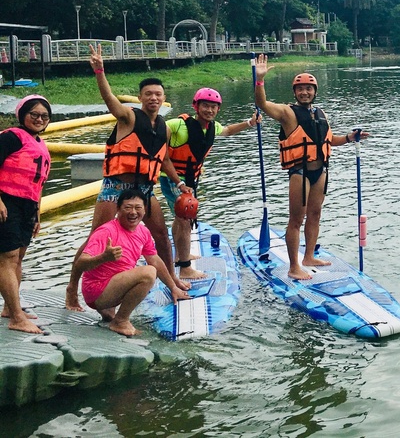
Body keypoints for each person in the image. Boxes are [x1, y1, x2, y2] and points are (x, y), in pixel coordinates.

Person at [66, 44, 189, 311]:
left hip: (145, 189)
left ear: (164, 97)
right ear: (140, 97)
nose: (153, 98)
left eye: (157, 94)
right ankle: (72, 289)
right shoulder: (128, 117)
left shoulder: (164, 129)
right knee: (94, 238)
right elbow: (110, 99)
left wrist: (179, 183)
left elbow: (163, 159)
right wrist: (99, 71)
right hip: (116, 186)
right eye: (148, 94)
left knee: (160, 235)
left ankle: (173, 281)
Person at [253, 54, 369, 280]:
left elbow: (328, 140)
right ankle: (294, 266)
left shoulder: (321, 113)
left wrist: (350, 137)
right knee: (296, 220)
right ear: (294, 92)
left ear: (315, 91)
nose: (304, 92)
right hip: (300, 172)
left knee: (315, 215)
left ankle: (308, 256)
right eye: (300, 89)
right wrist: (259, 81)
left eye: (309, 89)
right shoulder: (287, 113)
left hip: (321, 171)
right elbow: (262, 104)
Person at [159, 87, 258, 279]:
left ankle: (180, 255)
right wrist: (178, 183)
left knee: (180, 218)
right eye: (205, 106)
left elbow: (228, 131)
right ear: (195, 106)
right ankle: (185, 268)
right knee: (185, 219)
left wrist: (249, 123)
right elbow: (162, 150)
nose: (209, 110)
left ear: (218, 109)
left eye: (213, 107)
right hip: (173, 179)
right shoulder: (177, 125)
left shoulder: (212, 127)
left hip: (189, 181)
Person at [75, 189, 189, 337]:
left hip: (113, 287)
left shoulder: (143, 232)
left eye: (138, 208)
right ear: (118, 209)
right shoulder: (106, 231)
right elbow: (80, 263)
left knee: (150, 267)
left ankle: (110, 315)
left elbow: (154, 259)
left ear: (145, 209)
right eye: (128, 208)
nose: (133, 212)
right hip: (97, 291)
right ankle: (120, 321)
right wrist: (103, 257)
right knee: (148, 273)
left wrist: (173, 287)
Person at [0, 95, 52, 334]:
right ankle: (17, 318)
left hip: (28, 206)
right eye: (34, 115)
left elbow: (38, 184)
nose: (39, 119)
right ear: (22, 115)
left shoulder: (40, 143)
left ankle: (11, 309)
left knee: (18, 257)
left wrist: (38, 214)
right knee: (7, 258)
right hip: (6, 201)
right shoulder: (11, 137)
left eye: (44, 116)